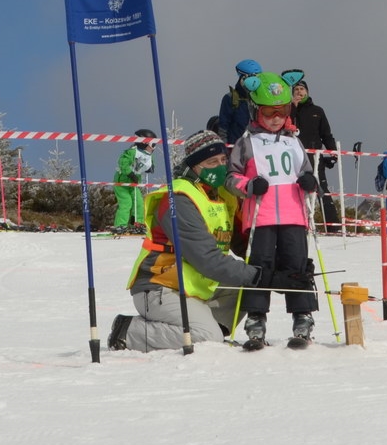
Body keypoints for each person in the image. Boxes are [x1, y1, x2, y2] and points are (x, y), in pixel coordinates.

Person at [111, 129, 309, 351]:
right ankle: (130, 331)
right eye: (212, 162)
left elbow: (244, 244)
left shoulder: (222, 195)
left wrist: (284, 265)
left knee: (246, 288)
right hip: (160, 287)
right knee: (207, 336)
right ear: (194, 166)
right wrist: (266, 276)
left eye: (224, 160)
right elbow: (208, 260)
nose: (221, 166)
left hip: (196, 286)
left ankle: (206, 328)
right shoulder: (178, 200)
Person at [226, 71, 321, 349]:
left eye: (281, 111)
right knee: (260, 268)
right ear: (257, 111)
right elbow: (231, 177)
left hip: (293, 215)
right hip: (261, 217)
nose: (276, 118)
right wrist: (249, 185)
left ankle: (302, 317)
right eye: (269, 112)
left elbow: (306, 174)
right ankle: (256, 320)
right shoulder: (247, 142)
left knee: (296, 266)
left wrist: (309, 182)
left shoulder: (294, 142)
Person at [287, 71, 341, 234]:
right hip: (294, 156)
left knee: (322, 189)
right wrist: (292, 108)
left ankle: (333, 226)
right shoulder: (289, 110)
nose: (299, 92)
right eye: (296, 90)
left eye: (302, 89)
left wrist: (332, 152)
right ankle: (299, 224)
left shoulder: (317, 110)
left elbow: (326, 134)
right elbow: (285, 125)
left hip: (315, 156)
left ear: (308, 92)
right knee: (295, 191)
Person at [113, 129, 158, 230]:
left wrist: (151, 168)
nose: (154, 148)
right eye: (153, 145)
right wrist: (129, 173)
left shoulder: (148, 154)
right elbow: (122, 162)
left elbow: (149, 162)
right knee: (126, 203)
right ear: (144, 143)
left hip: (134, 183)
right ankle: (120, 225)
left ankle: (137, 224)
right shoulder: (133, 152)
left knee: (139, 203)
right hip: (122, 182)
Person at [217, 59, 263, 144]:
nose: (254, 83)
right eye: (252, 79)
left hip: (257, 148)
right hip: (236, 148)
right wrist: (225, 147)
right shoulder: (231, 98)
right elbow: (223, 127)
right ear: (243, 79)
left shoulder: (261, 99)